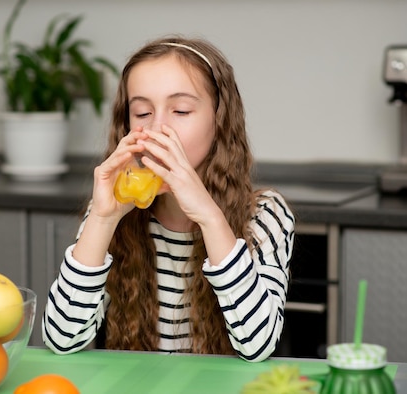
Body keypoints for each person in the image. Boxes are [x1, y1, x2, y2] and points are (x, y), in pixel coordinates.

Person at [42, 36, 295, 362]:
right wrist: (103, 220)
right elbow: (61, 339)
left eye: (181, 110)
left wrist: (209, 216)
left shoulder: (265, 214)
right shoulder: (112, 213)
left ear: (220, 120)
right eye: (142, 112)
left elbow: (257, 345)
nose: (158, 128)